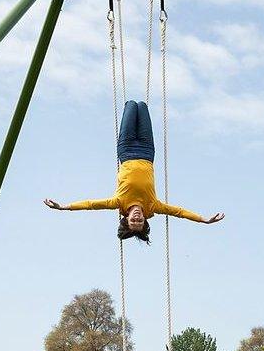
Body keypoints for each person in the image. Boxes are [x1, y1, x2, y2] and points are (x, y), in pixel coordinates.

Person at [45, 100, 224, 243]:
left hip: (127, 150)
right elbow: (178, 212)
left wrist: (64, 207)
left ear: (127, 219)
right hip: (147, 152)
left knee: (131, 105)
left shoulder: (118, 202)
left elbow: (90, 204)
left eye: (133, 221)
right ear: (145, 220)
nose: (137, 219)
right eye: (140, 222)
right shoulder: (153, 206)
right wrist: (203, 219)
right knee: (143, 106)